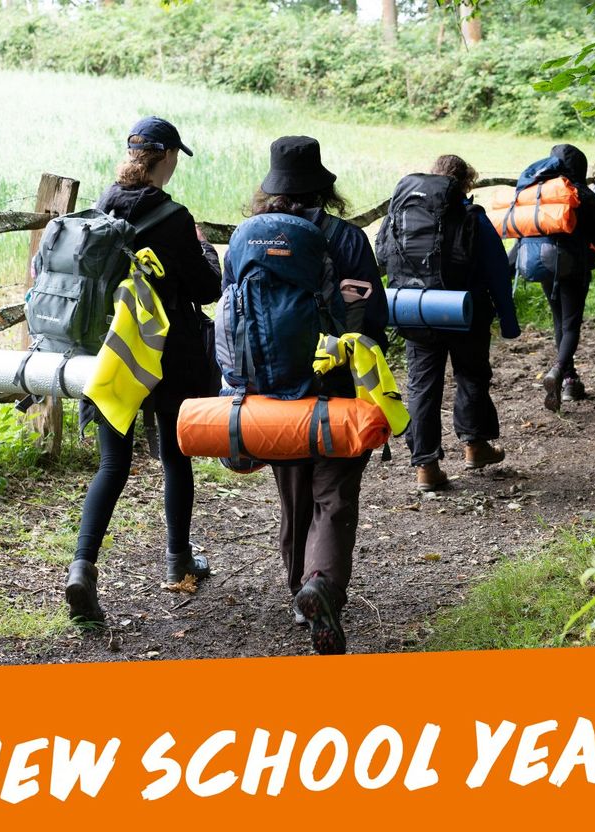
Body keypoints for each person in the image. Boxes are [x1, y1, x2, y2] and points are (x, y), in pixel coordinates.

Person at [222, 135, 389, 655]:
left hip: (270, 390)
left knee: (293, 493)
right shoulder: (346, 239)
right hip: (335, 389)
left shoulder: (246, 239)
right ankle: (323, 584)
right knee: (334, 496)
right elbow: (375, 322)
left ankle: (300, 594)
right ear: (323, 186)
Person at [65, 116, 222, 624]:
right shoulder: (174, 217)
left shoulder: (103, 205)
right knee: (175, 458)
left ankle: (82, 568)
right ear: (168, 157)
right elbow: (206, 290)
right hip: (167, 352)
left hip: (116, 354)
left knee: (112, 466)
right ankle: (179, 561)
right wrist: (204, 249)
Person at [381, 155, 520, 491]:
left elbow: (383, 258)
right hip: (464, 312)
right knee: (471, 376)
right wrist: (508, 321)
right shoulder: (472, 217)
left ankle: (426, 467)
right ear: (466, 183)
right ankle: (475, 446)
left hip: (416, 311)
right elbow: (497, 272)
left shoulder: (403, 213)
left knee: (422, 387)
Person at [532, 144, 595, 410]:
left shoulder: (541, 191)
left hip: (544, 265)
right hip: (575, 266)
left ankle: (570, 379)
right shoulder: (583, 194)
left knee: (559, 321)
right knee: (571, 324)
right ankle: (561, 374)